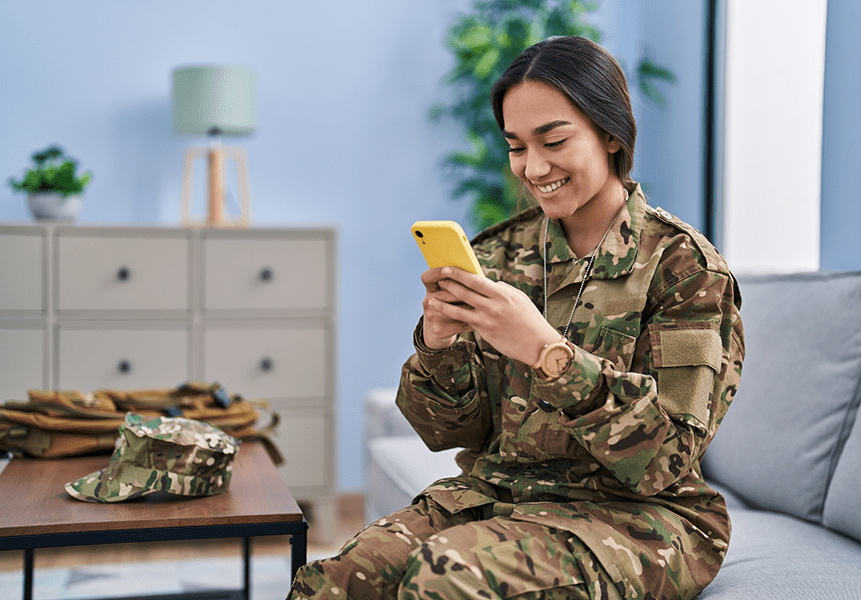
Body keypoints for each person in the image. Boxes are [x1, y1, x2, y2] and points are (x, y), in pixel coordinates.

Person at [287, 35, 744, 600]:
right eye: (516, 146)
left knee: (446, 578)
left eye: (553, 140)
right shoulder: (500, 256)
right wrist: (439, 346)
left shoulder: (685, 269)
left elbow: (662, 461)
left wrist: (546, 352)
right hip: (503, 493)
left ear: (611, 134)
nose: (533, 167)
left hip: (637, 518)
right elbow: (445, 432)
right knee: (334, 580)